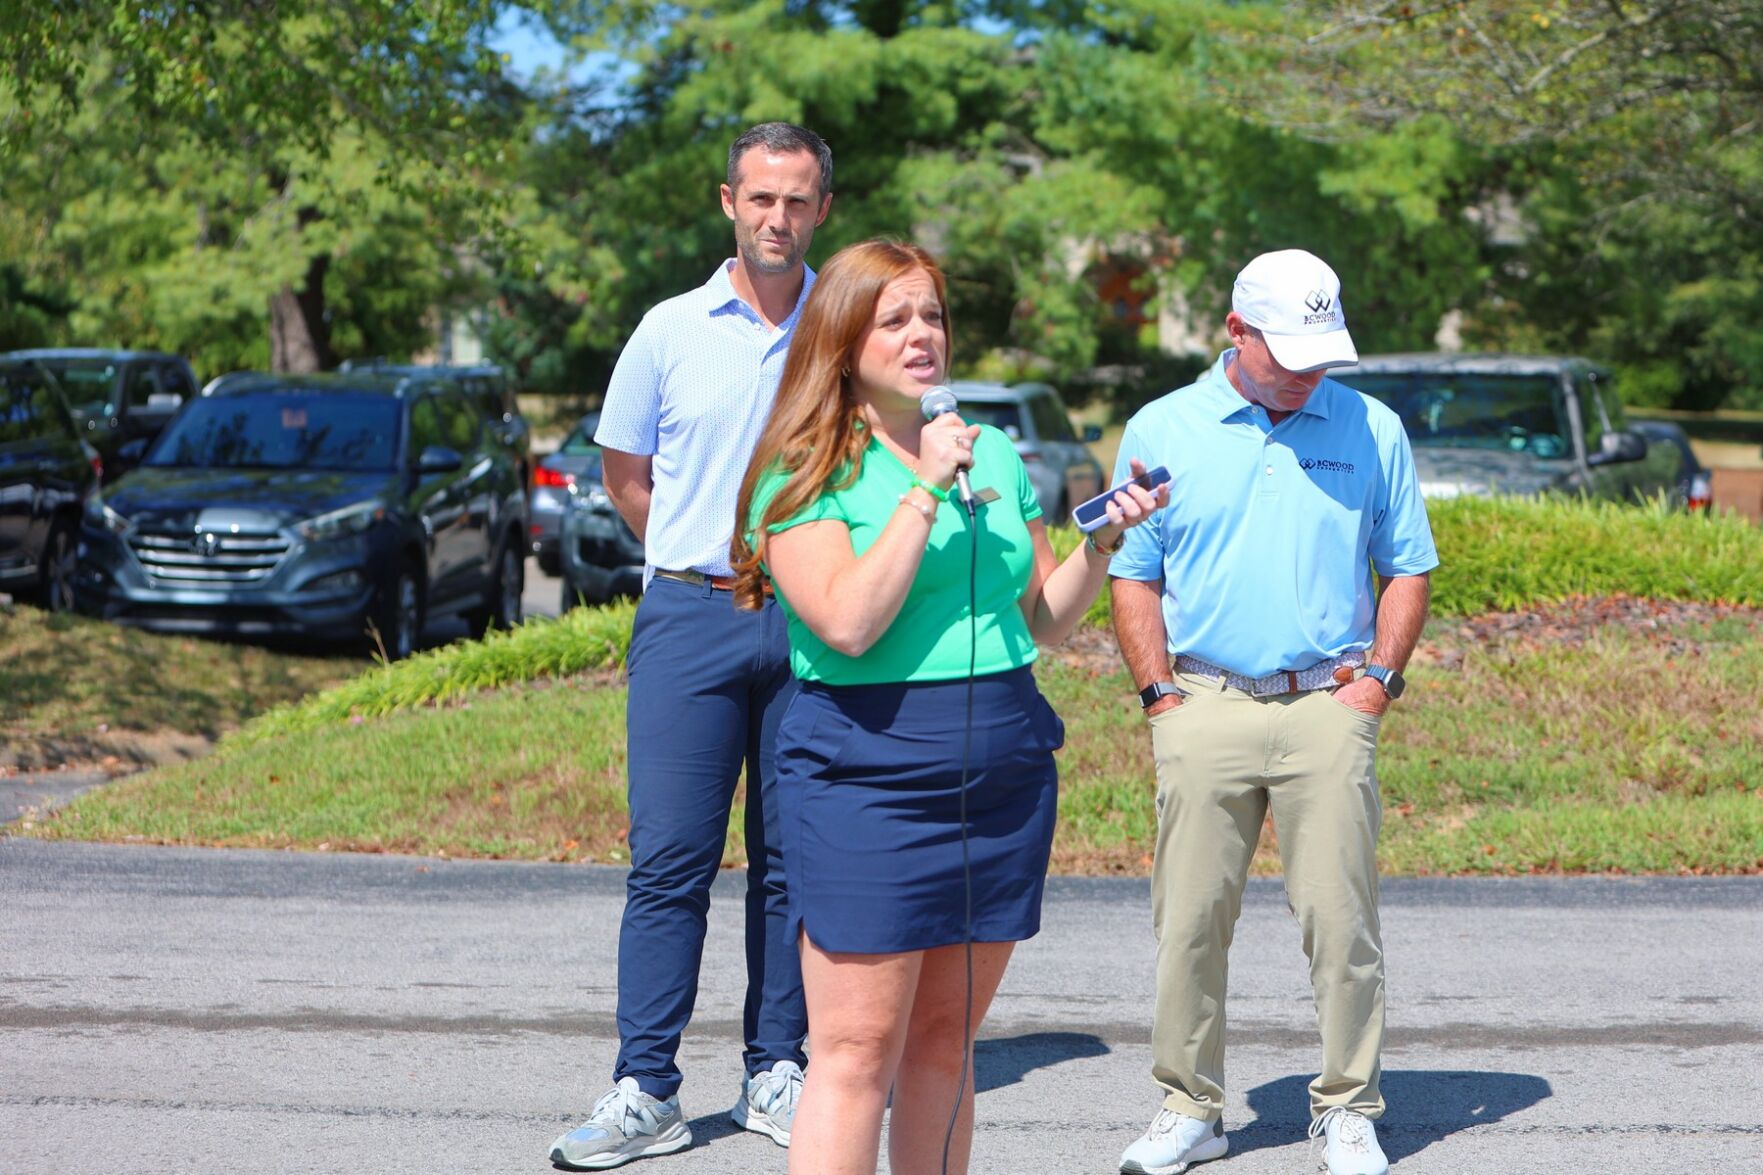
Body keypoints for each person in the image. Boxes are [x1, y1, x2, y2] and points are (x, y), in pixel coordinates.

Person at [728, 238, 1168, 1175]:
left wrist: (1102, 544)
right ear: (841, 339)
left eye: (931, 315)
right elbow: (847, 622)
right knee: (855, 1051)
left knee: (943, 1042)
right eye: (894, 319)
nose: (921, 334)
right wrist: (924, 487)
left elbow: (1041, 619)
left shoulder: (992, 450)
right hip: (864, 773)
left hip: (999, 769)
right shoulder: (801, 468)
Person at [1108, 249, 1438, 1175]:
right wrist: (1158, 695)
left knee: (1340, 922)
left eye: (1319, 354)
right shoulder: (1162, 425)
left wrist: (1377, 680)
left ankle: (1347, 1108)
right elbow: (1134, 572)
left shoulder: (1370, 426)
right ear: (1235, 332)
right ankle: (1190, 1108)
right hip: (1202, 700)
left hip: (1327, 702)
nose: (1306, 373)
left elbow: (1406, 564)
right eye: (1288, 353)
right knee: (1188, 922)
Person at [549, 121, 833, 1171]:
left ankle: (777, 1069)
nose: (777, 217)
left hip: (812, 619)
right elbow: (627, 473)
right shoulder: (667, 329)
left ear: (821, 210)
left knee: (793, 860)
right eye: (760, 197)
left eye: (796, 200)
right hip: (688, 613)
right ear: (728, 202)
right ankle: (647, 1088)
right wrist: (699, 551)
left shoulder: (842, 330)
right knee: (669, 859)